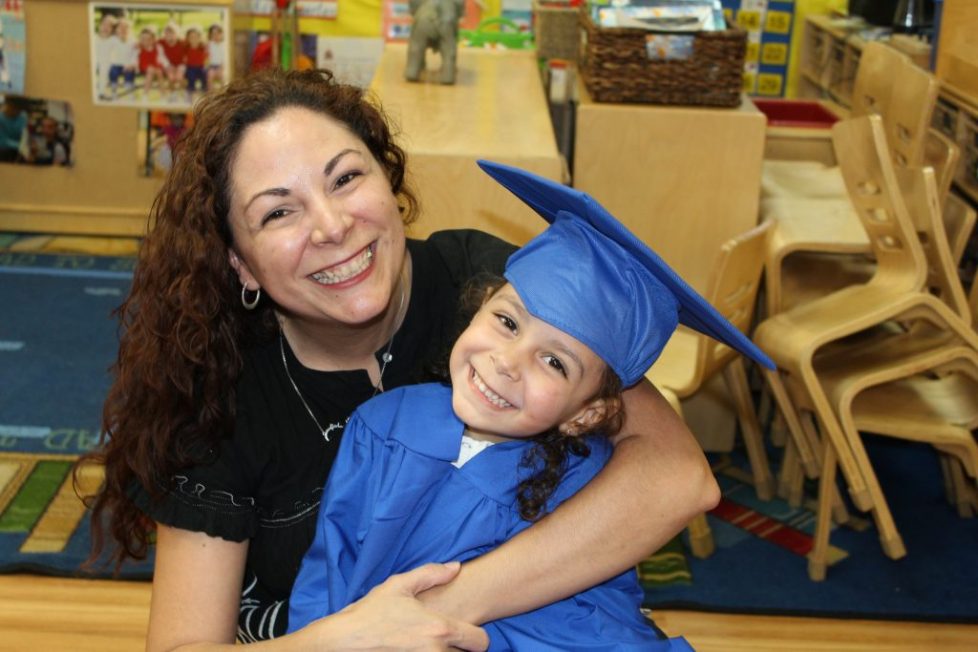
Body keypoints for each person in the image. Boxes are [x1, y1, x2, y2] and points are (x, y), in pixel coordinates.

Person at [81, 68, 719, 649]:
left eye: (346, 178)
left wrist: (435, 611)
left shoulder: (503, 301)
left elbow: (677, 476)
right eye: (279, 211)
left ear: (390, 180)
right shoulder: (220, 388)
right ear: (240, 263)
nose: (331, 226)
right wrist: (354, 638)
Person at [288, 161, 775, 648]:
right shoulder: (381, 424)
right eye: (507, 322)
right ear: (478, 307)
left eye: (554, 362)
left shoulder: (590, 490)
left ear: (588, 414)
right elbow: (327, 568)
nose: (508, 363)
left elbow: (590, 626)